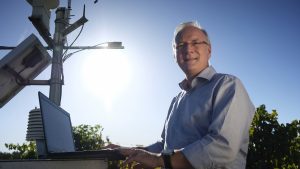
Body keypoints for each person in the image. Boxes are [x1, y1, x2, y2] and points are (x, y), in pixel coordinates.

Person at [112, 21, 255, 169]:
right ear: (174, 55)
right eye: (180, 45)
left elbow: (222, 146)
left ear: (209, 50)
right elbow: (164, 145)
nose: (188, 49)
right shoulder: (176, 100)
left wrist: (159, 161)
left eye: (195, 42)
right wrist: (135, 152)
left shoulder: (227, 84)